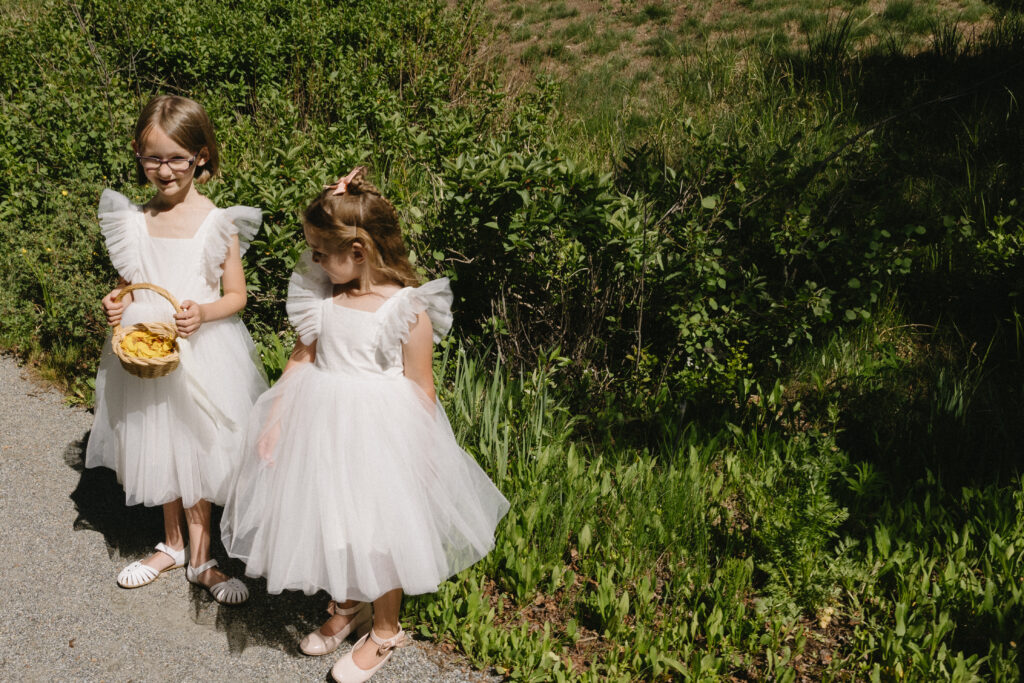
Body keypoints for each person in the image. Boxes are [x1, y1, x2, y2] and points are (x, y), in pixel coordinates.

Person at [221, 167, 509, 682]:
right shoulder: (322, 295)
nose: (312, 260)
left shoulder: (406, 310)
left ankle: (386, 628)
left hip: (380, 434)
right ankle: (348, 603)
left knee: (379, 532)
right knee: (332, 517)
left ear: (358, 252)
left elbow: (421, 386)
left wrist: (424, 451)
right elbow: (302, 357)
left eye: (319, 251)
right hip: (320, 423)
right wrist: (276, 421)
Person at [86, 94, 268, 605]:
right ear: (138, 155)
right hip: (146, 349)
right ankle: (171, 544)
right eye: (152, 158)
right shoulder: (134, 221)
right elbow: (130, 283)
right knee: (157, 440)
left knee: (198, 446)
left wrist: (204, 312)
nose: (164, 171)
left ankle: (202, 559)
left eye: (176, 159)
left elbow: (237, 295)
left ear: (201, 156)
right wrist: (118, 302)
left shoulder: (218, 223)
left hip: (201, 350)